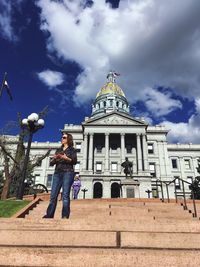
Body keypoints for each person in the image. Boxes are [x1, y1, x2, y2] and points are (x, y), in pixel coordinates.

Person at [43, 133, 77, 219]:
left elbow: (74, 161)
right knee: (53, 195)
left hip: (68, 173)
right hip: (57, 173)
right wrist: (55, 158)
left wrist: (66, 158)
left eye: (64, 137)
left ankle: (65, 215)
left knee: (65, 195)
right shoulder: (58, 150)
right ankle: (49, 214)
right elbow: (51, 163)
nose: (62, 139)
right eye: (62, 137)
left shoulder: (72, 150)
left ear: (68, 139)